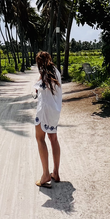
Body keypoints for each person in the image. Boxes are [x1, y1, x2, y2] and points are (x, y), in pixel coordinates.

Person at [33, 51, 62, 188]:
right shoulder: (56, 71)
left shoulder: (44, 73)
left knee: (40, 138)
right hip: (55, 110)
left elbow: (38, 89)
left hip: (44, 110)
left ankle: (45, 175)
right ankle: (55, 172)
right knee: (53, 139)